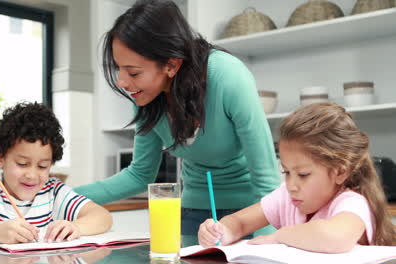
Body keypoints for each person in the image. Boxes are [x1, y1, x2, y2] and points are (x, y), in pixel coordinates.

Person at [74, 0, 280, 242]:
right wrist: (63, 197)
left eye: (133, 72)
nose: (122, 82)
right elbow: (140, 175)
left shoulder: (228, 77)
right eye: (119, 69)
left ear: (171, 64)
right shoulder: (146, 97)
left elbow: (267, 182)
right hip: (194, 213)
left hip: (249, 214)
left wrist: (265, 245)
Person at [198, 103, 396, 253]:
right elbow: (239, 222)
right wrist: (220, 231)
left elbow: (335, 237)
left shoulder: (352, 203)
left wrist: (280, 236)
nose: (291, 185)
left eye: (303, 175)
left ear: (340, 172)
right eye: (286, 172)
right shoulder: (288, 197)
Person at [0, 102, 112, 244]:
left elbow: (102, 216)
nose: (32, 175)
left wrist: (75, 227)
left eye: (42, 166)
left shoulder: (53, 192)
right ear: (0, 157)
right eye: (22, 164)